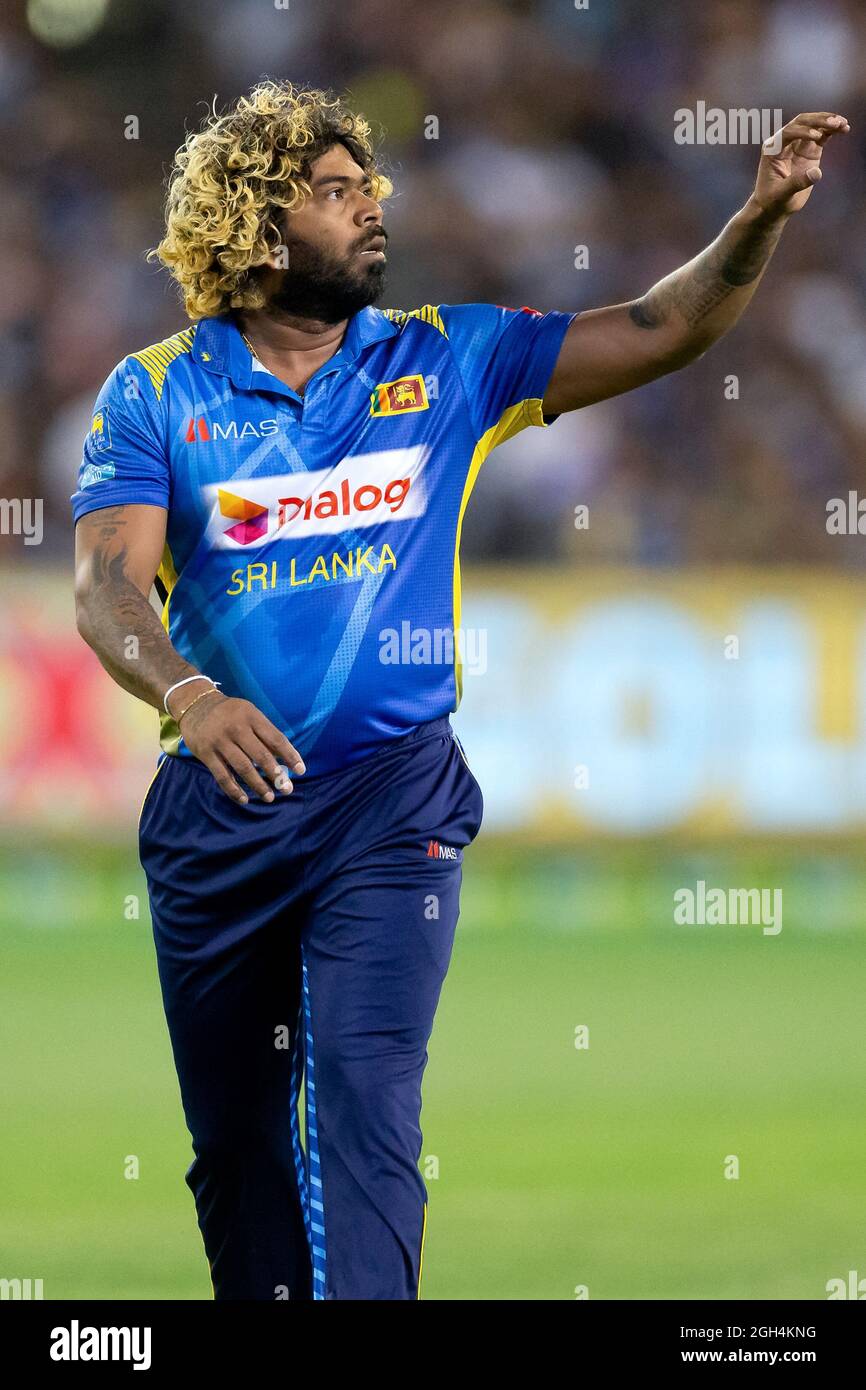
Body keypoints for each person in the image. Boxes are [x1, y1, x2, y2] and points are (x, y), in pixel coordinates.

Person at [72, 80, 848, 1300]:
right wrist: (186, 694)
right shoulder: (157, 391)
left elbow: (656, 325)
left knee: (366, 1099)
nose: (371, 206)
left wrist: (754, 219)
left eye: (367, 183)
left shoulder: (445, 358)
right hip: (218, 815)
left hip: (394, 802)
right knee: (236, 1152)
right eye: (334, 193)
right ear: (257, 230)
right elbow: (106, 592)